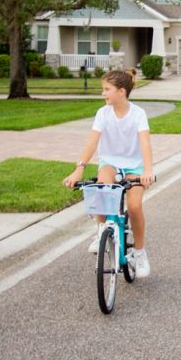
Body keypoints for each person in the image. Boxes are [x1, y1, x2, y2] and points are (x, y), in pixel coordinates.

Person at [63, 68, 155, 277]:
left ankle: (140, 253)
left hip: (134, 166)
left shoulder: (138, 114)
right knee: (102, 191)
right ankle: (101, 231)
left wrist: (148, 170)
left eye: (107, 89)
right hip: (109, 163)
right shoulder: (102, 113)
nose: (103, 93)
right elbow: (92, 142)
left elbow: (145, 143)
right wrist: (79, 169)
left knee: (134, 206)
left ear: (121, 92)